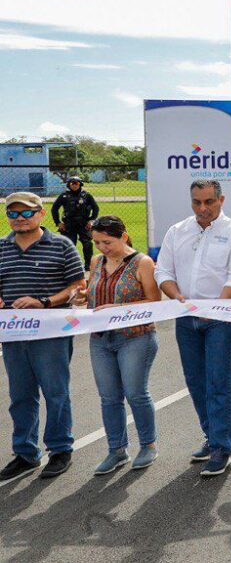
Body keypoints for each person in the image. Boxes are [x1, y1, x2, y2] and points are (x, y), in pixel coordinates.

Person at [155, 179, 231, 477]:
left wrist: (216, 309)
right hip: (185, 317)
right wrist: (176, 295)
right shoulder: (177, 231)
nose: (203, 208)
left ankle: (223, 446)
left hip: (220, 319)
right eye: (197, 202)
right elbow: (163, 270)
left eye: (209, 201)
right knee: (196, 380)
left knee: (219, 380)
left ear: (221, 200)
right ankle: (211, 437)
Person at [0, 192, 86, 483]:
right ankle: (25, 453)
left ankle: (60, 449)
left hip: (51, 333)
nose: (19, 219)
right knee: (21, 395)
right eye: (13, 214)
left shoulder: (62, 245)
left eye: (26, 213)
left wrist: (45, 301)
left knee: (55, 391)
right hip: (13, 334)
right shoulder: (1, 247)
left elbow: (77, 285)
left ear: (41, 213)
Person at [76, 216, 161, 475]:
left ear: (123, 236)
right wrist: (83, 296)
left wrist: (119, 308)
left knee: (135, 392)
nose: (102, 247)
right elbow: (93, 291)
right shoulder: (96, 261)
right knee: (109, 397)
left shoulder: (143, 263)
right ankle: (117, 450)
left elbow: (154, 302)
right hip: (101, 339)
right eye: (97, 242)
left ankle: (148, 445)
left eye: (107, 242)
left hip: (135, 336)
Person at [52, 175, 99, 265]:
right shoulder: (64, 196)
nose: (74, 185)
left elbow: (95, 208)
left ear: (80, 184)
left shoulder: (86, 195)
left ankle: (88, 265)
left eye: (76, 183)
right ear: (69, 185)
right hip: (69, 224)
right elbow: (54, 209)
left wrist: (92, 220)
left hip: (84, 224)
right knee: (68, 245)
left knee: (87, 244)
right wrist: (58, 222)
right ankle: (71, 265)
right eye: (72, 183)